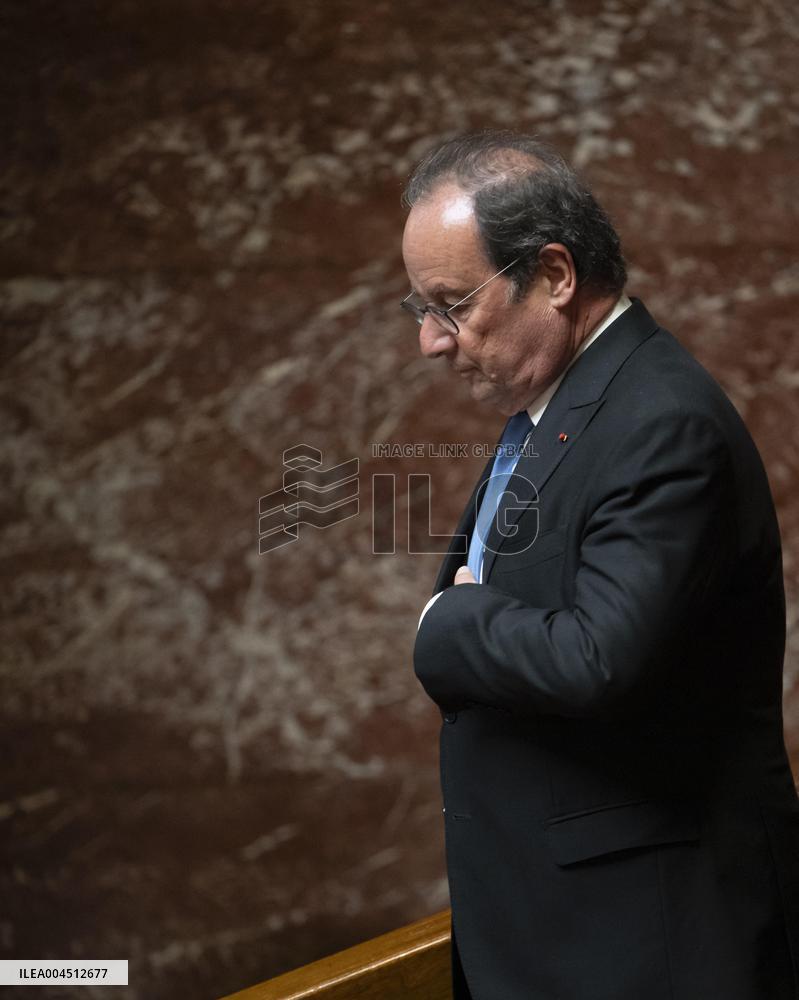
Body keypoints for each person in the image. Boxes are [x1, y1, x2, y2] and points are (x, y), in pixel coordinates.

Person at [401, 131, 799, 1000]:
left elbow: (597, 657)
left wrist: (448, 624)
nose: (432, 341)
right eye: (419, 310)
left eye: (450, 304)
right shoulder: (564, 403)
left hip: (649, 948)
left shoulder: (660, 420)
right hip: (565, 936)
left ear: (552, 275)